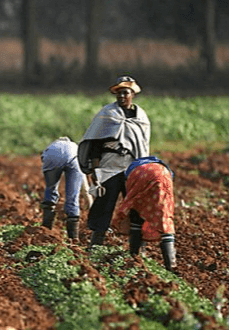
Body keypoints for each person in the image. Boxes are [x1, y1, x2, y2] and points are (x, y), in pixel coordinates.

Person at [78, 76, 151, 248]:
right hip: (109, 168)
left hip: (132, 169)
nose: (121, 96)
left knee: (135, 206)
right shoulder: (107, 114)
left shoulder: (140, 118)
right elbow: (95, 143)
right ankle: (96, 245)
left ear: (133, 94)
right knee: (104, 205)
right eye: (119, 93)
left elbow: (143, 145)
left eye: (125, 92)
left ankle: (137, 249)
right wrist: (95, 169)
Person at [111, 156, 176, 271]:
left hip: (139, 176)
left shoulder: (132, 169)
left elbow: (130, 196)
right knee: (164, 218)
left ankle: (134, 256)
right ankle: (171, 266)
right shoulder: (161, 165)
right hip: (164, 176)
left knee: (136, 212)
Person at [40, 137, 92, 240]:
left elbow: (44, 161)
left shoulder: (51, 146)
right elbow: (85, 188)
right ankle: (73, 238)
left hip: (52, 157)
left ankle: (46, 229)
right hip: (74, 159)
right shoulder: (75, 147)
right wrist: (91, 206)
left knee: (50, 189)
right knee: (73, 197)